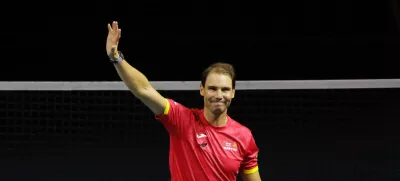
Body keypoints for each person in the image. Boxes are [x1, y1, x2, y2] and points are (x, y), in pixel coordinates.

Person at [106, 21, 262, 181]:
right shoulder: (182, 120)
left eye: (225, 89)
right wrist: (116, 58)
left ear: (233, 93)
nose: (219, 95)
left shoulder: (244, 136)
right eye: (213, 88)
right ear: (202, 90)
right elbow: (144, 90)